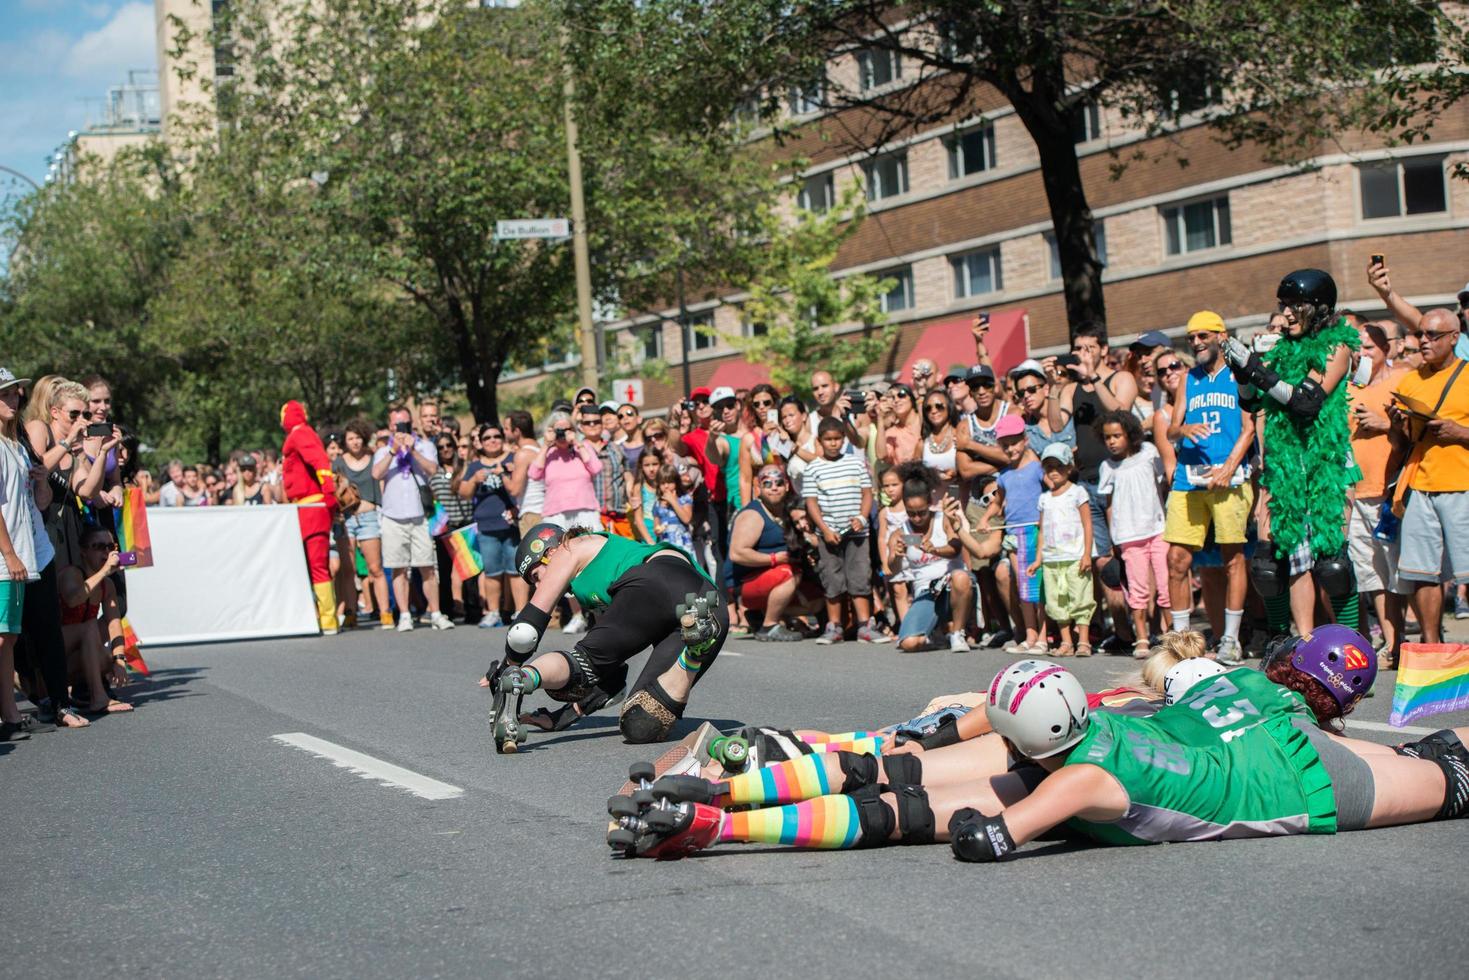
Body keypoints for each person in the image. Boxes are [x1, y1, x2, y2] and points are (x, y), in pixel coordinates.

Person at [485, 522, 727, 749]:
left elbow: (525, 632)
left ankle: (524, 677)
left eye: (536, 577)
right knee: (639, 724)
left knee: (581, 663)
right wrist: (564, 716)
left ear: (549, 552)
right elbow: (609, 675)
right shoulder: (597, 576)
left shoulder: (569, 548)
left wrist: (510, 668)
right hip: (707, 603)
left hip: (656, 577)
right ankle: (696, 650)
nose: (539, 586)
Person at [1226, 270, 1359, 641]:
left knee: (1331, 563)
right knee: (1274, 565)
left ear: (1317, 309)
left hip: (1326, 464)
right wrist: (1243, 373)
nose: (1284, 315)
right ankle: (1295, 644)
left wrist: (1256, 370)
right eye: (1282, 306)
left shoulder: (1337, 344)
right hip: (1285, 466)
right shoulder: (1281, 347)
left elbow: (1306, 401)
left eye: (1292, 307)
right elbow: (1252, 403)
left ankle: (1351, 648)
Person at [1165, 311, 1255, 661]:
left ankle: (1231, 639)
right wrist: (1182, 431)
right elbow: (1172, 428)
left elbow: (1249, 428)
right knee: (1177, 558)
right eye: (1191, 338)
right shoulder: (1189, 378)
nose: (1197, 343)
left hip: (1229, 477)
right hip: (1190, 477)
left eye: (1203, 336)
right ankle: (1179, 639)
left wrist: (1230, 466)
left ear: (1222, 335)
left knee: (1233, 559)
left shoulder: (1240, 374)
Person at [1388, 307, 1469, 643]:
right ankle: (1432, 646)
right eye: (1421, 333)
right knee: (1422, 574)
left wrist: (1460, 433)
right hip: (1419, 485)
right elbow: (1402, 442)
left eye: (1433, 335)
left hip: (1463, 486)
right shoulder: (1410, 380)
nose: (1423, 341)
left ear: (1454, 338)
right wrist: (1398, 425)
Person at [1346, 323, 1408, 665]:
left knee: (1399, 571)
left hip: (1392, 492)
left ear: (1386, 348)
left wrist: (1386, 423)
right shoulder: (1350, 388)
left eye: (1370, 347)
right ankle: (1390, 643)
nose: (1363, 354)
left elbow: (1416, 432)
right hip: (1357, 495)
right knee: (1373, 575)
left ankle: (1410, 641)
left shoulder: (1401, 380)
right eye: (1360, 348)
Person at [372, 405, 455, 632]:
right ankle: (405, 615)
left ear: (411, 424)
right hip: (392, 516)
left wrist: (413, 451)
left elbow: (433, 469)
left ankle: (435, 612)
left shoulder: (425, 445)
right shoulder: (382, 451)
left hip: (419, 516)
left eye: (405, 424)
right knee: (398, 568)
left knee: (426, 566)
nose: (400, 428)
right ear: (390, 426)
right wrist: (393, 451)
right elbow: (376, 474)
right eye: (396, 424)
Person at [804, 417, 887, 644]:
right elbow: (811, 502)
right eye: (828, 439)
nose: (833, 443)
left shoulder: (855, 463)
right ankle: (834, 626)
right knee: (832, 579)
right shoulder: (813, 468)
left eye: (837, 439)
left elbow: (867, 493)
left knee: (860, 577)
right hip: (828, 533)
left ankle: (864, 625)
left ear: (843, 439)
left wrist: (862, 516)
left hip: (857, 533)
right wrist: (824, 529)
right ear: (819, 440)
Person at [1096, 410, 1169, 656]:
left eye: (1117, 435)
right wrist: (1113, 536)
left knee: (1165, 584)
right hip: (1128, 537)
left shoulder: (1149, 452)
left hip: (1158, 529)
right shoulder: (1107, 466)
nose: (1112, 441)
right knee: (1137, 590)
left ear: (1130, 433)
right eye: (1107, 437)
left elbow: (1162, 482)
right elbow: (1109, 504)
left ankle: (1170, 634)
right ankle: (1142, 638)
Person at [886, 475, 972, 652]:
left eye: (921, 512)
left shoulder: (944, 520)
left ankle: (957, 633)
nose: (917, 518)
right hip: (926, 591)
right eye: (911, 513)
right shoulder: (899, 533)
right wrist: (897, 555)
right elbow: (892, 569)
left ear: (930, 502)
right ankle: (935, 634)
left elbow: (955, 549)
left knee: (960, 576)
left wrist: (934, 550)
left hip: (953, 587)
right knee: (909, 644)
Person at [980, 417, 1044, 653]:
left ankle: (1044, 635)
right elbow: (997, 502)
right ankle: (1030, 633)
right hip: (1013, 532)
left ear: (1025, 440)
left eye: (1014, 443)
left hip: (1035, 530)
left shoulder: (1038, 468)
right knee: (1022, 585)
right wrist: (986, 519)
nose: (1010, 449)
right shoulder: (1004, 475)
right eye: (1005, 445)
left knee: (1038, 585)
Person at [279, 401, 342, 635]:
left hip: (312, 507)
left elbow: (319, 461)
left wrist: (328, 492)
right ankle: (316, 616)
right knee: (308, 565)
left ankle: (327, 619)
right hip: (304, 507)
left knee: (317, 565)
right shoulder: (299, 435)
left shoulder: (301, 434)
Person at [1028, 443, 1095, 656]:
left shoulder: (1077, 492)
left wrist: (1087, 553)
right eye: (1049, 468)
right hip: (1051, 558)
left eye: (1059, 466)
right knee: (1057, 602)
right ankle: (1066, 642)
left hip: (1075, 556)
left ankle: (1083, 641)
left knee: (1081, 598)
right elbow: (1042, 530)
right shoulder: (1044, 499)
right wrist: (1038, 558)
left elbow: (1087, 524)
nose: (1053, 472)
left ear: (1069, 468)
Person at [57, 525, 132, 715]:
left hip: (76, 659)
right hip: (52, 658)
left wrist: (119, 659)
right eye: (99, 546)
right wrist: (104, 572)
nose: (106, 552)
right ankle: (98, 697)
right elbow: (73, 600)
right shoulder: (71, 574)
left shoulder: (107, 585)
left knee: (108, 657)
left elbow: (114, 622)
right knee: (89, 626)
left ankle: (84, 690)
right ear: (83, 551)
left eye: (110, 546)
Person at [729, 464, 804, 641]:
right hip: (745, 584)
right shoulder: (753, 515)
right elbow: (737, 553)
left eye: (778, 482)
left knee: (815, 600)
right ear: (758, 489)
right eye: (767, 484)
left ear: (786, 485)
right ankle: (769, 625)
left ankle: (761, 615)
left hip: (769, 577)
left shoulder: (787, 509)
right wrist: (773, 559)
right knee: (789, 573)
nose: (774, 488)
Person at [460, 422, 521, 628]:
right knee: (492, 571)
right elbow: (464, 493)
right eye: (487, 438)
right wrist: (474, 480)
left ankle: (520, 612)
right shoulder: (475, 466)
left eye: (496, 436)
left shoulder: (513, 459)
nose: (492, 440)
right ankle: (493, 612)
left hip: (512, 524)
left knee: (515, 569)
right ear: (481, 443)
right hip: (486, 526)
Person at [334, 418, 391, 630]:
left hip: (368, 516)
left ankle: (385, 612)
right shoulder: (339, 462)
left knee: (375, 567)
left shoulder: (375, 456)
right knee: (348, 570)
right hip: (346, 518)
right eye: (350, 438)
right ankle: (351, 612)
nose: (355, 442)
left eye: (358, 437)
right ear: (345, 441)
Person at [432, 432, 480, 623]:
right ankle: (447, 610)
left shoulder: (465, 468)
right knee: (444, 572)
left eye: (449, 446)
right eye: (441, 447)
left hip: (466, 524)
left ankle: (473, 611)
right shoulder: (434, 472)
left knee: (470, 571)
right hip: (444, 528)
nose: (445, 450)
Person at [920, 390, 961, 495]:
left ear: (949, 407)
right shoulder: (922, 443)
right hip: (931, 506)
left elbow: (970, 469)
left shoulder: (960, 436)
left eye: (939, 406)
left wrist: (957, 473)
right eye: (928, 408)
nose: (933, 411)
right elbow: (916, 474)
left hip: (959, 501)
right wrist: (932, 475)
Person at [615, 404, 645, 470]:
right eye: (620, 416)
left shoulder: (652, 440)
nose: (625, 418)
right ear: (619, 423)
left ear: (639, 419)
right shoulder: (619, 449)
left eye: (629, 413)